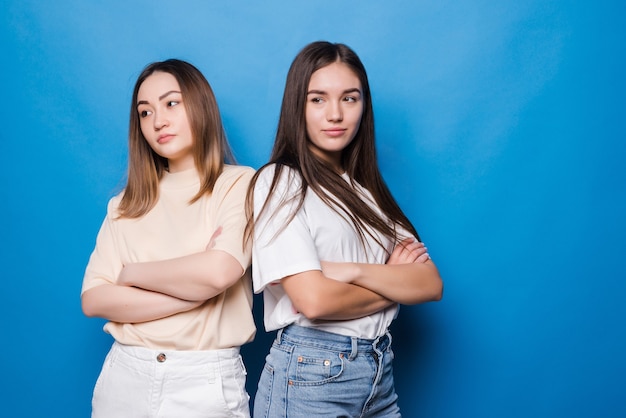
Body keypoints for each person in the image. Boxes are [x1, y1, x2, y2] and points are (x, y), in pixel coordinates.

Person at [246, 41, 444, 417]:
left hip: (378, 374)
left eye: (349, 99)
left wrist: (351, 272)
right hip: (310, 374)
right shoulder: (281, 183)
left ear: (363, 106)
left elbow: (431, 284)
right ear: (297, 106)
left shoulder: (368, 191)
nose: (335, 114)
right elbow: (315, 301)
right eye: (317, 99)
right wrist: (392, 282)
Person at [81, 59, 255, 418]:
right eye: (145, 112)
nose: (158, 121)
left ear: (200, 104)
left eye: (171, 103)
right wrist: (195, 297)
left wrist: (131, 274)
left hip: (204, 382)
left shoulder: (239, 185)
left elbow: (218, 273)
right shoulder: (124, 205)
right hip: (125, 378)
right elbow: (94, 299)